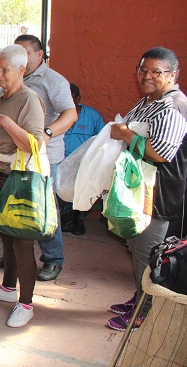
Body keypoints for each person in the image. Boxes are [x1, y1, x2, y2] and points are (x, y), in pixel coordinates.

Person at [106, 47, 186, 331]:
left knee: (147, 251)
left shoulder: (173, 106)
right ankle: (141, 295)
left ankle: (145, 309)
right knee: (137, 246)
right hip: (139, 190)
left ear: (173, 75)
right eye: (143, 70)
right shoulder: (151, 100)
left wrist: (125, 133)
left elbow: (161, 153)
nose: (147, 76)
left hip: (158, 194)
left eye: (156, 72)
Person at [0, 45, 49, 328]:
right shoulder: (1, 96)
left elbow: (34, 145)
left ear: (21, 70)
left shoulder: (29, 99)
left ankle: (26, 303)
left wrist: (4, 122)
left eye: (4, 70)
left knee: (22, 240)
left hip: (18, 177)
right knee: (5, 234)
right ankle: (7, 289)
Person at [15, 34, 77, 282]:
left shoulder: (53, 80)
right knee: (18, 205)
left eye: (25, 52)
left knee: (43, 210)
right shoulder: (17, 76)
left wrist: (48, 133)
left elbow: (70, 114)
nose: (20, 57)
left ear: (39, 54)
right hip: (19, 153)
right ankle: (19, 254)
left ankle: (53, 259)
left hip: (44, 157)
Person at [60, 83, 106, 235]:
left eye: (70, 97)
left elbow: (103, 140)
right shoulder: (58, 114)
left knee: (86, 187)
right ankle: (64, 219)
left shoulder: (92, 116)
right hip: (61, 163)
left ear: (78, 98)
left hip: (84, 164)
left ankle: (79, 220)